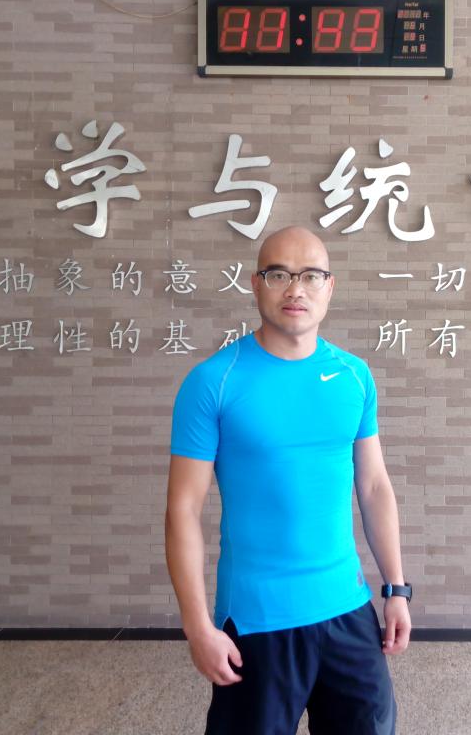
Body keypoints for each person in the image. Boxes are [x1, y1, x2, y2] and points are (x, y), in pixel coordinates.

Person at [165, 225, 411, 735]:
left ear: (329, 286)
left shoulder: (354, 375)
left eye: (311, 276)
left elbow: (373, 487)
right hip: (258, 620)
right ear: (255, 283)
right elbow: (183, 510)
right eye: (279, 274)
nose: (296, 289)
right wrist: (197, 626)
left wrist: (395, 588)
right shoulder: (213, 381)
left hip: (347, 609)